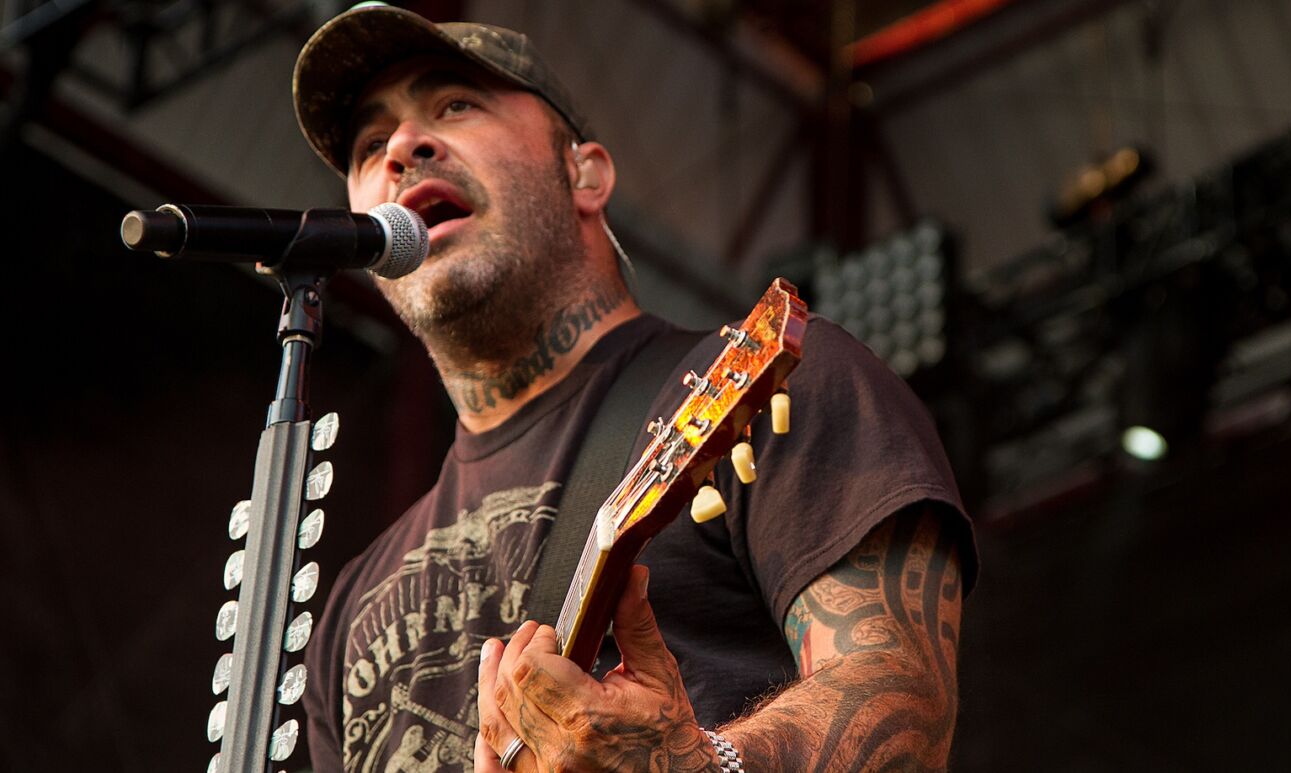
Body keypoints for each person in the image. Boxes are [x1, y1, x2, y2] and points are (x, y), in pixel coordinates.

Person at [290, 6, 978, 771]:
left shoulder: (761, 387)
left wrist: (699, 764)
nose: (403, 149)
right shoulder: (349, 613)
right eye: (368, 144)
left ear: (585, 173)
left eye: (456, 104)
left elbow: (900, 711)